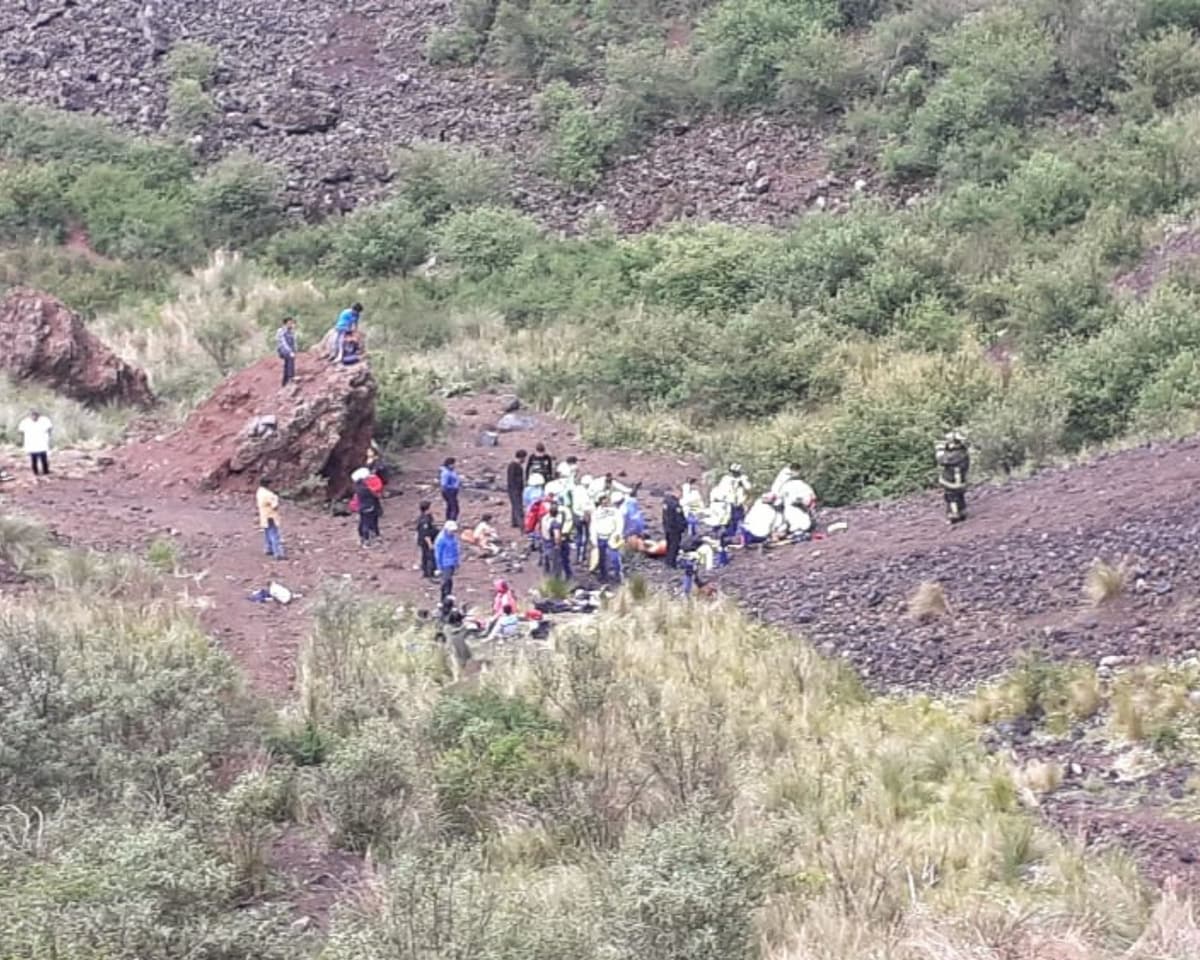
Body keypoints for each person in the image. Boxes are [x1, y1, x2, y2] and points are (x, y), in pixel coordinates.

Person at [710, 463, 752, 540]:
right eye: (733, 472)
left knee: (740, 518)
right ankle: (727, 534)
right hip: (729, 502)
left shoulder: (743, 478)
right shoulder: (726, 479)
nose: (734, 473)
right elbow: (722, 489)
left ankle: (740, 535)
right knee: (728, 519)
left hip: (739, 502)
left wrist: (742, 482)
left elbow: (748, 488)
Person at [936, 431, 970, 524]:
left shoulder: (956, 455)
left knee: (951, 496)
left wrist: (940, 449)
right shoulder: (963, 452)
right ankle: (962, 512)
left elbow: (941, 460)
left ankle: (954, 515)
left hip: (952, 480)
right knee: (959, 495)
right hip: (960, 479)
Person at [591, 496, 621, 583]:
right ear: (600, 502)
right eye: (603, 502)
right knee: (602, 558)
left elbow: (619, 523)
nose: (605, 503)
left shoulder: (615, 512)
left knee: (614, 557)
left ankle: (617, 575)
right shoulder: (596, 513)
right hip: (600, 537)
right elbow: (593, 526)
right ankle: (603, 576)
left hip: (611, 536)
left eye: (606, 501)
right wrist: (593, 538)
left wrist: (617, 533)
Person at [256, 475, 285, 560]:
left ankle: (269, 548)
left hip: (264, 515)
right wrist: (276, 498)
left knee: (267, 533)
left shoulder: (259, 492)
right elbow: (275, 506)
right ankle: (278, 553)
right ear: (268, 484)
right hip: (271, 516)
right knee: (274, 534)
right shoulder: (269, 495)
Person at [352, 467, 381, 547]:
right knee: (368, 523)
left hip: (361, 508)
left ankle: (363, 538)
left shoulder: (357, 489)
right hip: (369, 507)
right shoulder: (366, 489)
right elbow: (374, 495)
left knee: (362, 523)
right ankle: (367, 540)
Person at [17, 409, 52, 477]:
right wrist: (21, 440)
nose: (34, 417)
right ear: (30, 416)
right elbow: (20, 431)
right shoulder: (25, 422)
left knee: (43, 458)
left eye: (36, 415)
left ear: (38, 415)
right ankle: (35, 472)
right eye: (33, 415)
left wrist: (48, 437)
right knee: (34, 459)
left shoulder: (44, 420)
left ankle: (46, 471)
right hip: (32, 443)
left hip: (42, 442)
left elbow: (49, 428)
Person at [434, 520, 460, 601]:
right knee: (446, 580)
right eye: (451, 531)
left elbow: (456, 550)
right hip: (445, 563)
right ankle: (443, 597)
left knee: (450, 580)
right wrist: (439, 566)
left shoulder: (453, 538)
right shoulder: (441, 539)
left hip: (452, 562)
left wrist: (457, 561)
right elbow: (438, 553)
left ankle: (448, 595)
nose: (453, 532)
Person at [662, 490, 688, 568]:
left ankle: (667, 561)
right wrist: (683, 526)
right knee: (674, 546)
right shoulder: (675, 504)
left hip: (667, 528)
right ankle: (672, 563)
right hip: (675, 529)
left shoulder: (666, 502)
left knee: (669, 545)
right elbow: (678, 518)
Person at [417, 500, 437, 578]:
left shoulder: (428, 517)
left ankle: (426, 572)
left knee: (425, 556)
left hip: (427, 539)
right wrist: (430, 544)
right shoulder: (424, 520)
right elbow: (426, 533)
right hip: (426, 541)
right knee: (429, 556)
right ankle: (429, 573)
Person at [507, 449, 528, 528]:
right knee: (518, 506)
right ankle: (521, 524)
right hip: (514, 490)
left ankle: (515, 522)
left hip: (516, 489)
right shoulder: (513, 466)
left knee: (515, 506)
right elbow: (512, 480)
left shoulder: (516, 466)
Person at [276, 316, 298, 387]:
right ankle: (291, 377)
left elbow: (294, 342)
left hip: (290, 350)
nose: (291, 324)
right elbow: (283, 342)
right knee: (290, 358)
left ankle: (284, 382)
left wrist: (294, 350)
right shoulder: (281, 331)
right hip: (282, 350)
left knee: (287, 364)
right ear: (285, 324)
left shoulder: (291, 331)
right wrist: (290, 352)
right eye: (289, 323)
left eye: (291, 323)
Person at [438, 457, 461, 522]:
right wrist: (454, 487)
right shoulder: (446, 473)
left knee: (450, 507)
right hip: (449, 492)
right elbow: (444, 484)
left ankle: (448, 520)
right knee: (454, 508)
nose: (454, 465)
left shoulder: (452, 471)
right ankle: (451, 522)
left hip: (453, 492)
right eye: (453, 464)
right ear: (449, 464)